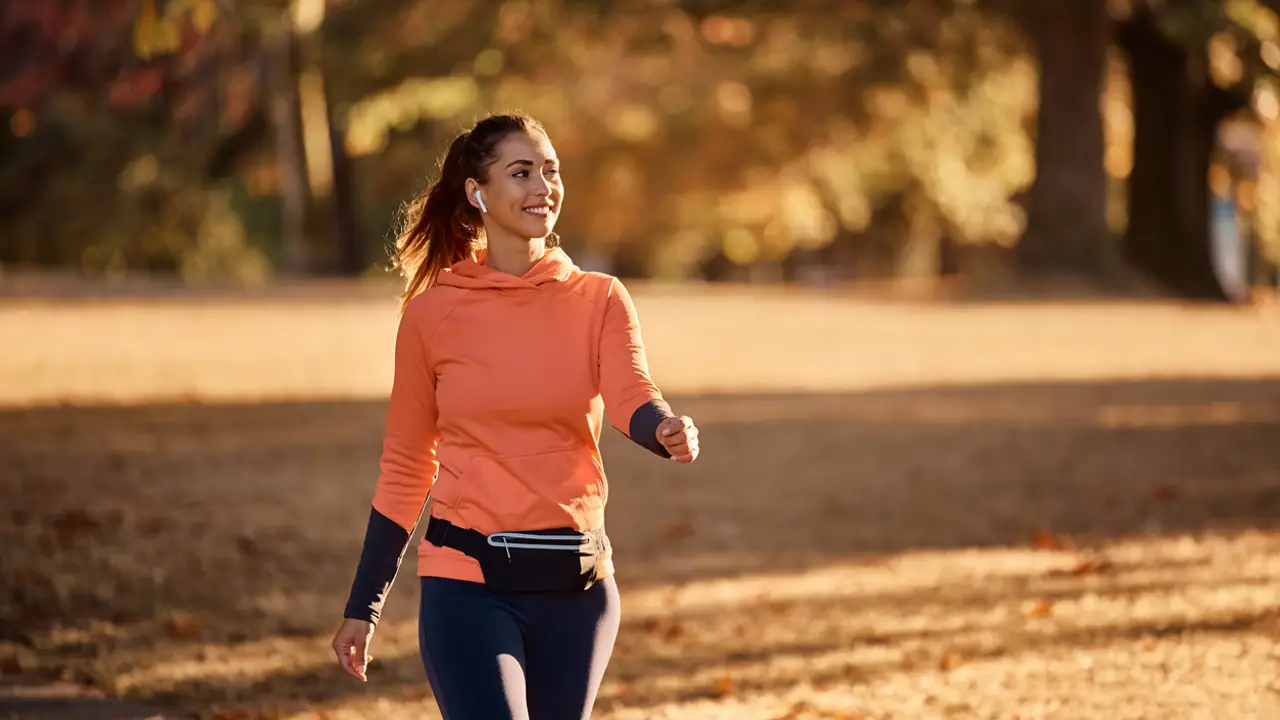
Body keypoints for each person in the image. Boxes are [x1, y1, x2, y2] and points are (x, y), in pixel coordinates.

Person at [330, 113, 700, 720]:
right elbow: (405, 465)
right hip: (467, 582)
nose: (542, 187)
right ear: (477, 192)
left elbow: (631, 392)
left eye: (550, 172)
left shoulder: (599, 298)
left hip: (578, 585)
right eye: (521, 172)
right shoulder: (432, 316)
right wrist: (364, 605)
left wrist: (662, 429)